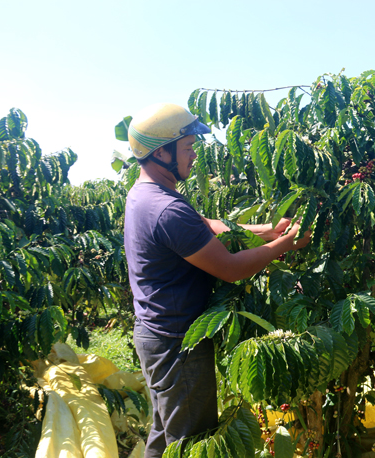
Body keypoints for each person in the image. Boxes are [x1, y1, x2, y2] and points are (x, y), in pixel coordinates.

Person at [124, 103, 311, 458]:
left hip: (157, 333)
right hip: (176, 342)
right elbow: (231, 268)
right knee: (189, 442)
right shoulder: (167, 209)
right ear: (161, 152)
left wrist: (268, 231)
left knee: (166, 435)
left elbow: (205, 227)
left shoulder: (147, 196)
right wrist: (285, 244)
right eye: (188, 147)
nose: (194, 156)